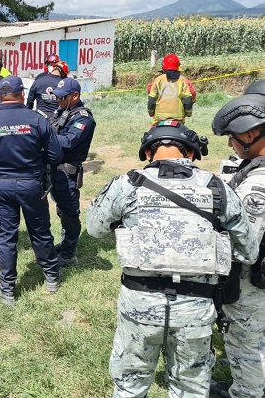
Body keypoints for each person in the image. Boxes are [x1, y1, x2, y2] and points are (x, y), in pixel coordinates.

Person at [86, 120, 258, 398]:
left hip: (139, 306)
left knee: (130, 384)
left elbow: (94, 229)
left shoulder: (125, 185)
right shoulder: (219, 189)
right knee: (190, 386)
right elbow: (248, 252)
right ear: (191, 153)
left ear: (149, 153)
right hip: (196, 308)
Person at [0, 76, 63, 303]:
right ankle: (51, 276)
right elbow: (55, 155)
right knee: (40, 231)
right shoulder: (37, 119)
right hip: (32, 184)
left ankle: (8, 288)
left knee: (6, 237)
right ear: (22, 95)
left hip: (1, 185)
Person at [211, 94, 265, 398]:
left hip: (250, 283)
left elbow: (244, 246)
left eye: (232, 138)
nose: (231, 145)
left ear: (249, 134)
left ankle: (245, 392)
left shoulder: (257, 183)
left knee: (247, 343)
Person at [49, 78, 96, 266]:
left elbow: (69, 141)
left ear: (75, 96)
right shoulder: (62, 111)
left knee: (70, 212)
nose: (58, 101)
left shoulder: (83, 117)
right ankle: (66, 243)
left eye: (62, 97)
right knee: (61, 210)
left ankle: (69, 254)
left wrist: (45, 138)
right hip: (55, 170)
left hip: (67, 172)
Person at [147, 53, 197, 125]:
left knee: (152, 134)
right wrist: (188, 113)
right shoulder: (183, 80)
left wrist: (151, 113)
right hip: (178, 119)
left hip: (159, 119)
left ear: (163, 67)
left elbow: (151, 97)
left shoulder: (158, 80)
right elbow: (190, 97)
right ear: (178, 66)